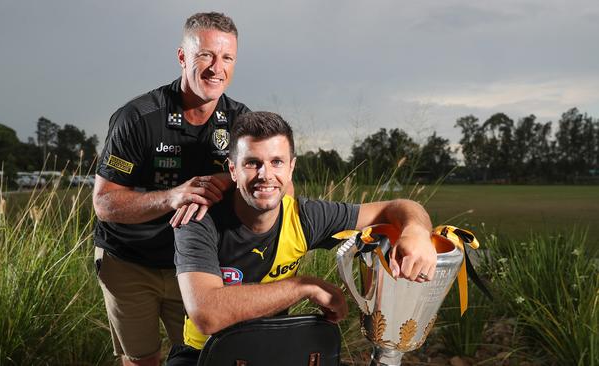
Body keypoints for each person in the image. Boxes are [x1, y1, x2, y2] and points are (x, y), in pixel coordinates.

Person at [168, 111, 438, 365]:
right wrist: (302, 286)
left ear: (291, 168)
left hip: (272, 349)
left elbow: (398, 208)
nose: (265, 175)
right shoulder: (198, 217)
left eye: (276, 162)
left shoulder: (304, 216)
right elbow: (206, 315)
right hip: (205, 354)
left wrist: (416, 230)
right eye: (252, 163)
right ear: (233, 170)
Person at [92, 12, 249, 366]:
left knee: (204, 357)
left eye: (227, 58)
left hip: (198, 266)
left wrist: (227, 179)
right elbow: (104, 202)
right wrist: (172, 196)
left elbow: (278, 183)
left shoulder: (241, 122)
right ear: (182, 57)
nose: (216, 68)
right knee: (141, 360)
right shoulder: (138, 118)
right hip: (130, 261)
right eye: (205, 55)